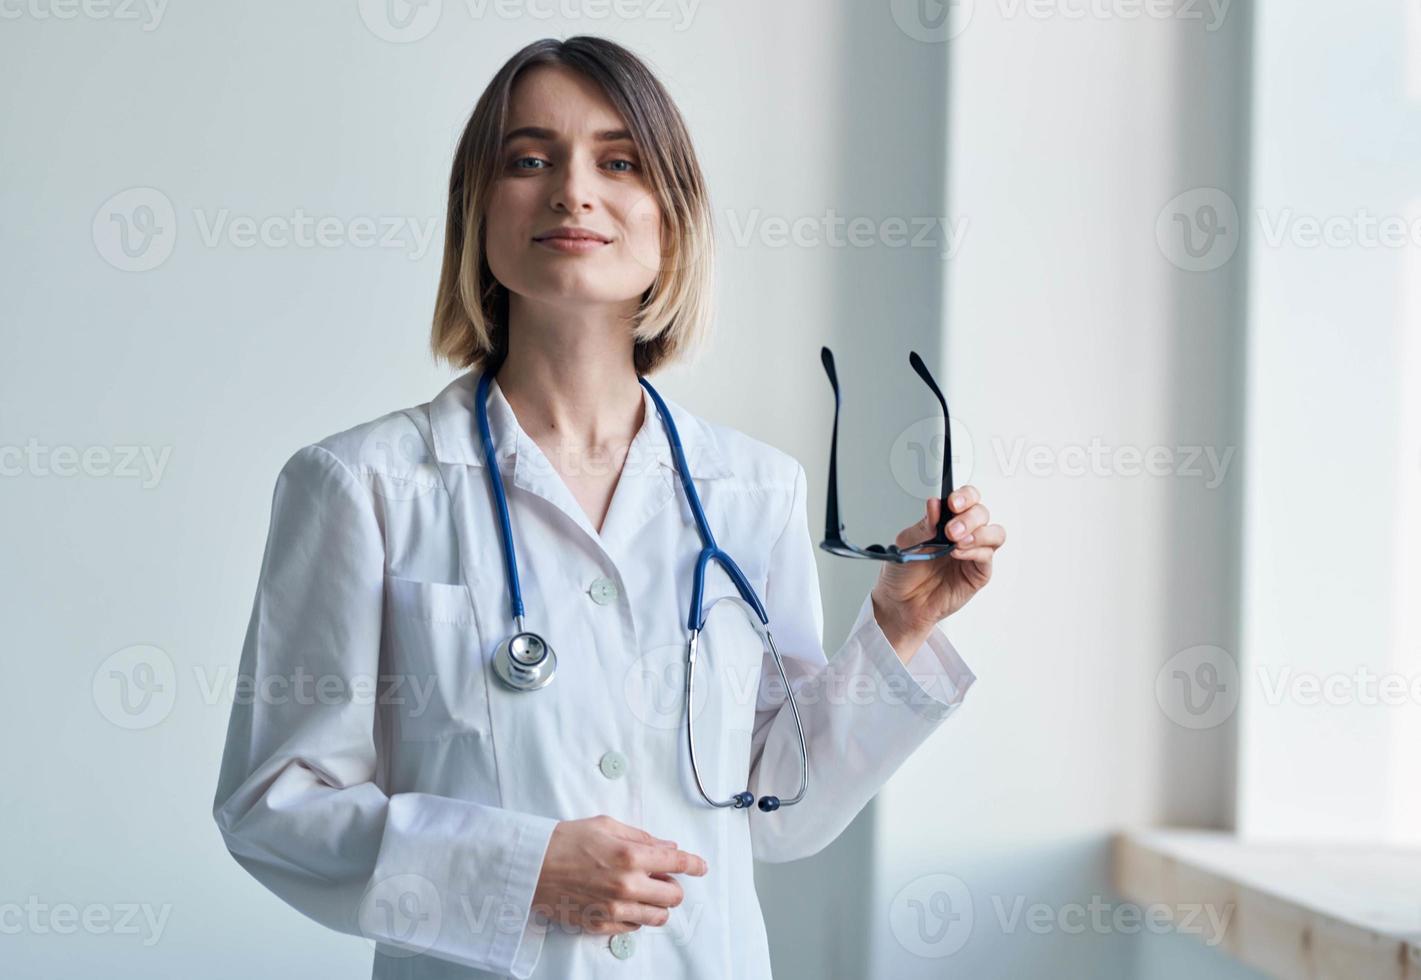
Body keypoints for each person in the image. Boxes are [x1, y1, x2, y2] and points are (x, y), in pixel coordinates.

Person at [212, 34, 1005, 980]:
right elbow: (276, 806)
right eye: (529, 158)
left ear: (672, 216)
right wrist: (522, 872)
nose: (572, 190)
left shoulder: (753, 493)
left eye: (619, 160)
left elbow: (779, 810)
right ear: (478, 211)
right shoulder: (362, 485)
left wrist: (898, 633)